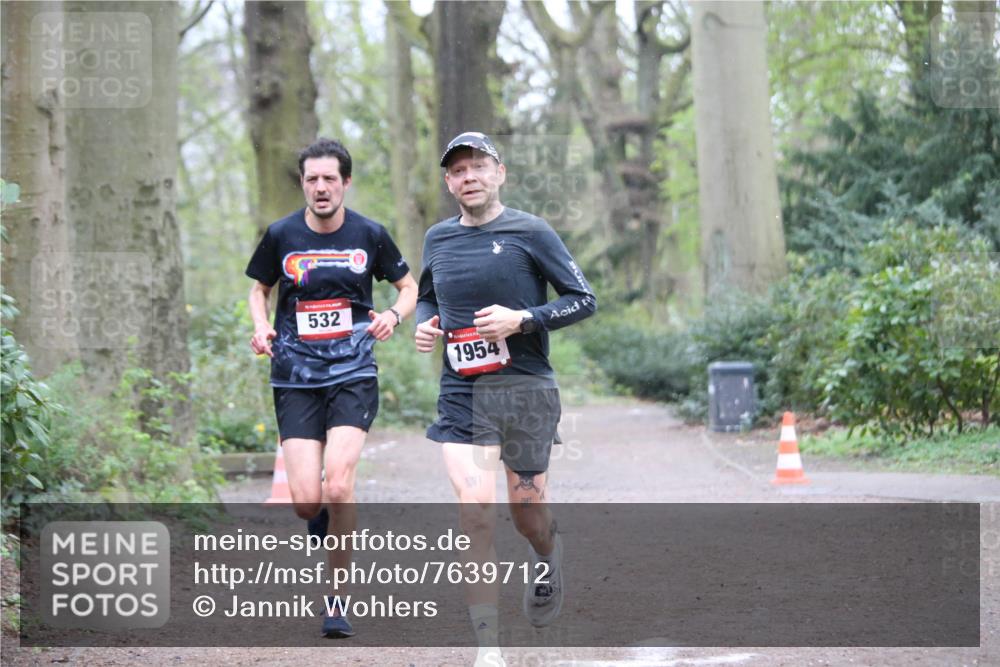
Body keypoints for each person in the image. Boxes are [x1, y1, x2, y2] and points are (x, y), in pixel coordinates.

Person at [414, 132, 596, 665]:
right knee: (475, 513)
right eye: (457, 171)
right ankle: (488, 645)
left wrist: (524, 320)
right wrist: (426, 324)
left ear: (499, 173)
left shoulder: (530, 231)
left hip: (525, 391)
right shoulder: (437, 239)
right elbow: (428, 296)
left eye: (477, 167)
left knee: (526, 515)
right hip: (462, 393)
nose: (467, 177)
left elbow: (583, 300)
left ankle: (547, 553)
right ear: (449, 183)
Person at [246, 137, 417, 639]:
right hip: (294, 375)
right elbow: (260, 288)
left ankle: (337, 600)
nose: (320, 187)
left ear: (345, 182)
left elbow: (409, 287)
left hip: (353, 372)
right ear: (303, 183)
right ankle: (322, 516)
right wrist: (260, 327)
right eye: (311, 179)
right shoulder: (281, 234)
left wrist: (391, 315)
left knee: (339, 484)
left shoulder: (370, 233)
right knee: (305, 502)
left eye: (329, 178)